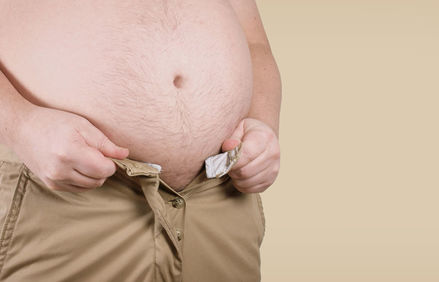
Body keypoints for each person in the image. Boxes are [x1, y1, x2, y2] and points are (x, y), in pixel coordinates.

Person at [0, 0, 281, 281]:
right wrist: (22, 125)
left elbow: (254, 43)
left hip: (219, 196)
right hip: (68, 197)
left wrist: (262, 126)